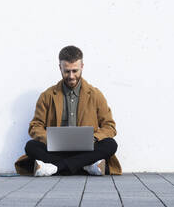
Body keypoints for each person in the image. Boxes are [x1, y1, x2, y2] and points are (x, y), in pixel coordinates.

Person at [14, 46, 122, 176]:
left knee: (110, 144)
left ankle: (55, 167)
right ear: (60, 68)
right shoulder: (47, 96)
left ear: (82, 66)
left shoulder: (95, 94)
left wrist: (93, 138)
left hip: (86, 150)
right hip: (57, 150)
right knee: (31, 146)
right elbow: (35, 126)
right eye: (67, 71)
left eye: (75, 71)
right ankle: (86, 167)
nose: (71, 76)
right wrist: (49, 139)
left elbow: (109, 127)